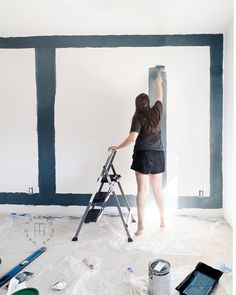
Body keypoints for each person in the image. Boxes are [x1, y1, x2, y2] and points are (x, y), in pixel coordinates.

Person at [108, 73, 165, 235]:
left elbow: (132, 138)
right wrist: (158, 81)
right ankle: (163, 220)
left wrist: (117, 147)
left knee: (142, 191)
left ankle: (140, 226)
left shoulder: (137, 117)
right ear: (148, 103)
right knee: (158, 189)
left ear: (137, 105)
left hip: (143, 156)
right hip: (159, 155)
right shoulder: (156, 112)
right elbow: (160, 96)